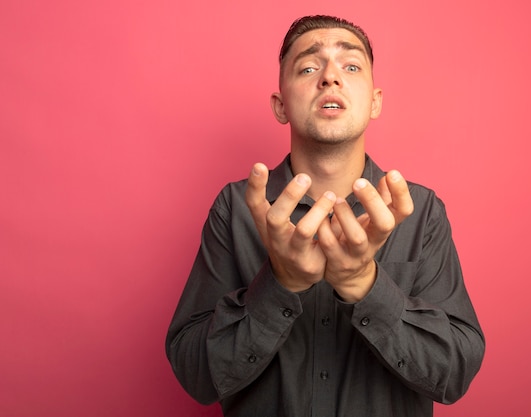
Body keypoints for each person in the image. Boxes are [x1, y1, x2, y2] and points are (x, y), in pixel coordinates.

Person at [166, 15, 485, 417]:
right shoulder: (236, 208)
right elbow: (195, 375)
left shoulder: (421, 212)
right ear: (281, 106)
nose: (330, 77)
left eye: (350, 67)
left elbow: (454, 374)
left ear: (375, 102)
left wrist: (364, 284)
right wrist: (281, 283)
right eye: (309, 67)